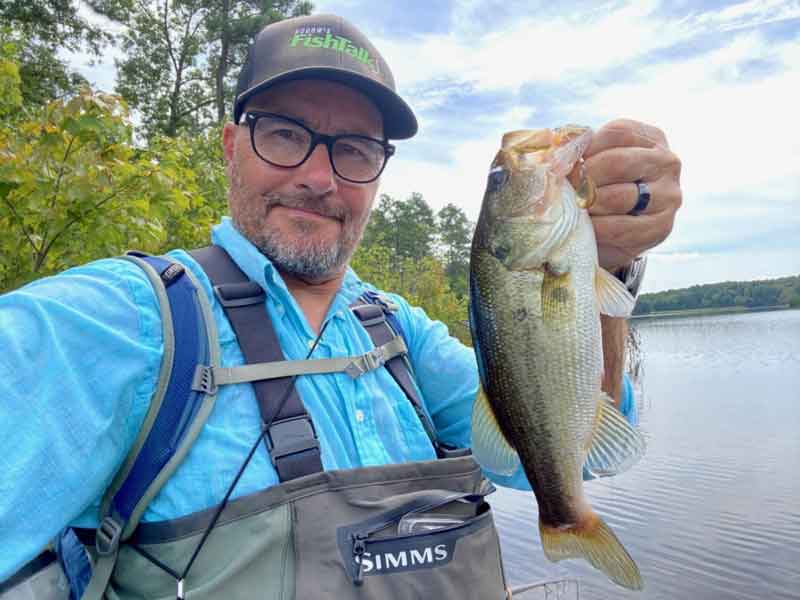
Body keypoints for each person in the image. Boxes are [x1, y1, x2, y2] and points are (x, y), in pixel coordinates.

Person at [0, 13, 682, 600]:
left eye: (353, 149)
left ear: (379, 173)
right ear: (232, 146)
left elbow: (569, 455)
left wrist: (610, 266)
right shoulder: (116, 322)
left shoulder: (402, 335)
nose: (319, 177)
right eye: (285, 134)